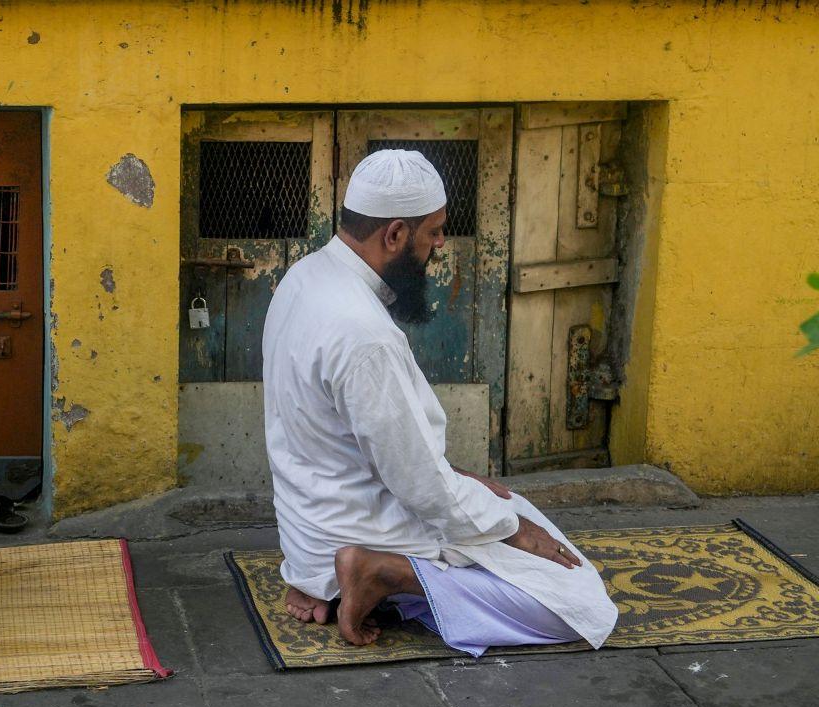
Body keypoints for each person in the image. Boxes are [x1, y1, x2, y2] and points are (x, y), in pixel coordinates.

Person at [262, 150, 618, 653]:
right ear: (394, 235)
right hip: (356, 531)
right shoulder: (365, 336)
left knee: (500, 502)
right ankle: (382, 574)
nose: (440, 244)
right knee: (577, 604)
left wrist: (477, 492)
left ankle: (336, 581)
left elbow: (368, 448)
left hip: (311, 535)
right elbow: (421, 486)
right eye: (433, 232)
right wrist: (512, 531)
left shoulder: (302, 278)